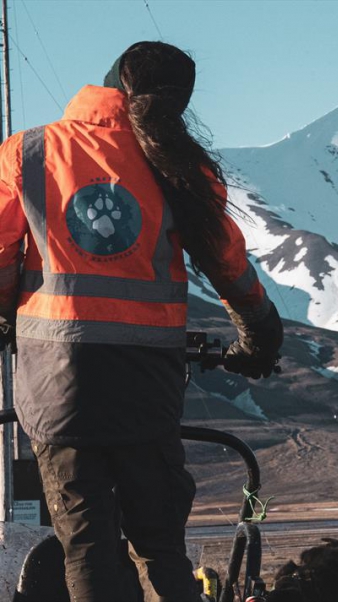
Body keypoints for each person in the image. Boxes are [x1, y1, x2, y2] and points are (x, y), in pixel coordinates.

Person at [0, 41, 283, 601]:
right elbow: (227, 262)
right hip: (146, 383)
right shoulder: (177, 165)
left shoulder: (28, 152)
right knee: (159, 544)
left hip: (59, 384)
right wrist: (259, 332)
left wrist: (9, 314)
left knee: (87, 548)